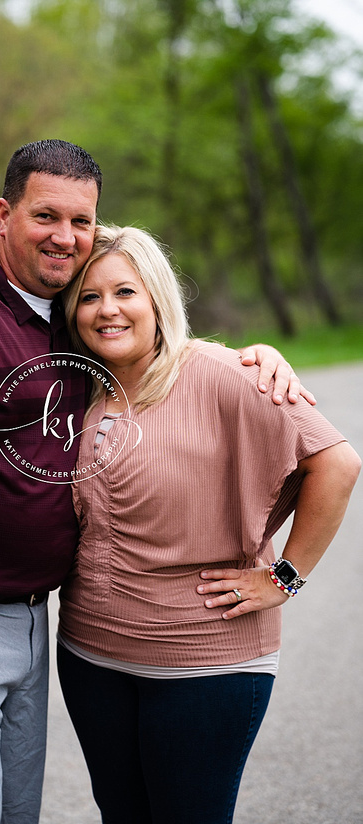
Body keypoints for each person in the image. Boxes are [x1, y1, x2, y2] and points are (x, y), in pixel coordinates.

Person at [0, 139, 311, 824]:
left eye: (82, 221)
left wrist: (255, 357)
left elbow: (150, 341)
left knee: (14, 814)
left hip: (35, 613)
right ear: (5, 213)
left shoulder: (65, 315)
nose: (65, 237)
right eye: (46, 217)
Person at [56, 225, 360, 824]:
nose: (107, 310)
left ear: (158, 299)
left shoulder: (221, 373)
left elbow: (338, 464)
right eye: (88, 297)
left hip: (204, 665)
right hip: (92, 658)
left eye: (125, 292)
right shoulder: (79, 388)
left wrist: (284, 577)